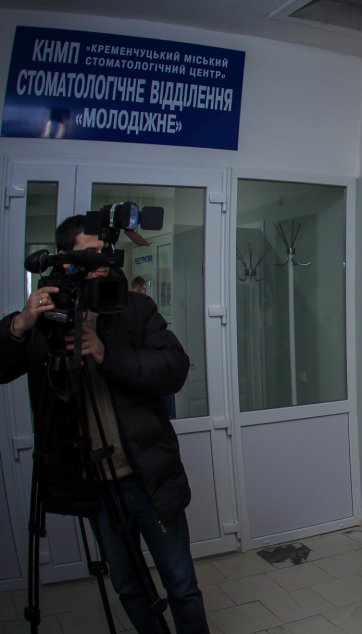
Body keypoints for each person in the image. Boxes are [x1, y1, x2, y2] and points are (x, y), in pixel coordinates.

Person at [0, 215, 210, 633]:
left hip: (146, 475)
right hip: (93, 483)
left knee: (181, 582)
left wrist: (105, 354)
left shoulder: (134, 308)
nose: (101, 263)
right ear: (64, 260)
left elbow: (173, 368)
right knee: (129, 585)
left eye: (105, 253)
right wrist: (19, 326)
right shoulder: (45, 317)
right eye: (89, 254)